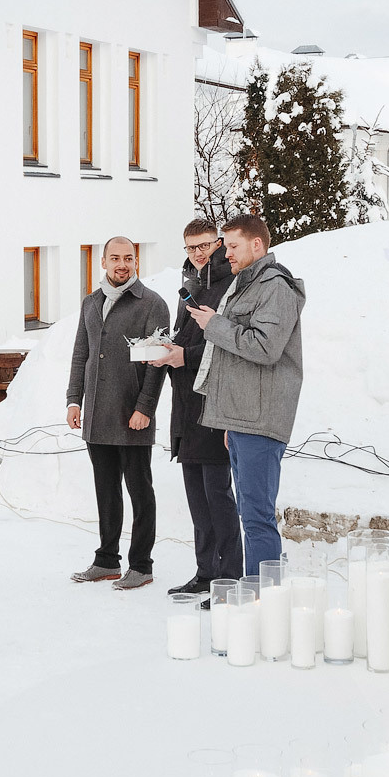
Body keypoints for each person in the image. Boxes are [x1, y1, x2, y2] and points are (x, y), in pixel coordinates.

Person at [188, 214, 305, 574]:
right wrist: (229, 419)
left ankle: (263, 602)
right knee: (249, 514)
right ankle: (258, 595)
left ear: (257, 244)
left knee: (257, 518)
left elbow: (265, 347)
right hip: (242, 419)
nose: (226, 253)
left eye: (233, 245)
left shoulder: (275, 287)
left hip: (261, 421)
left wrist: (215, 325)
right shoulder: (247, 284)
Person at [66, 236, 171, 590]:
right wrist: (73, 400)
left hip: (131, 415)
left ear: (136, 261)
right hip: (97, 413)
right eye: (115, 258)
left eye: (128, 257)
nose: (121, 264)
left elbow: (158, 365)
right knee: (105, 490)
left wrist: (145, 409)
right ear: (103, 262)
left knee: (140, 491)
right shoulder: (90, 303)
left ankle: (141, 565)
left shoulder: (152, 303)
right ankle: (107, 561)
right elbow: (81, 354)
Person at [155, 220, 241, 595]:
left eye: (204, 246)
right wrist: (163, 349)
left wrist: (183, 356)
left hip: (214, 405)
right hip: (185, 406)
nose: (198, 254)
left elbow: (226, 348)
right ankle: (205, 573)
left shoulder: (230, 285)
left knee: (218, 497)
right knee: (197, 499)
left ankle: (230, 578)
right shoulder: (190, 285)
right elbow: (187, 336)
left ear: (219, 243)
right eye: (191, 248)